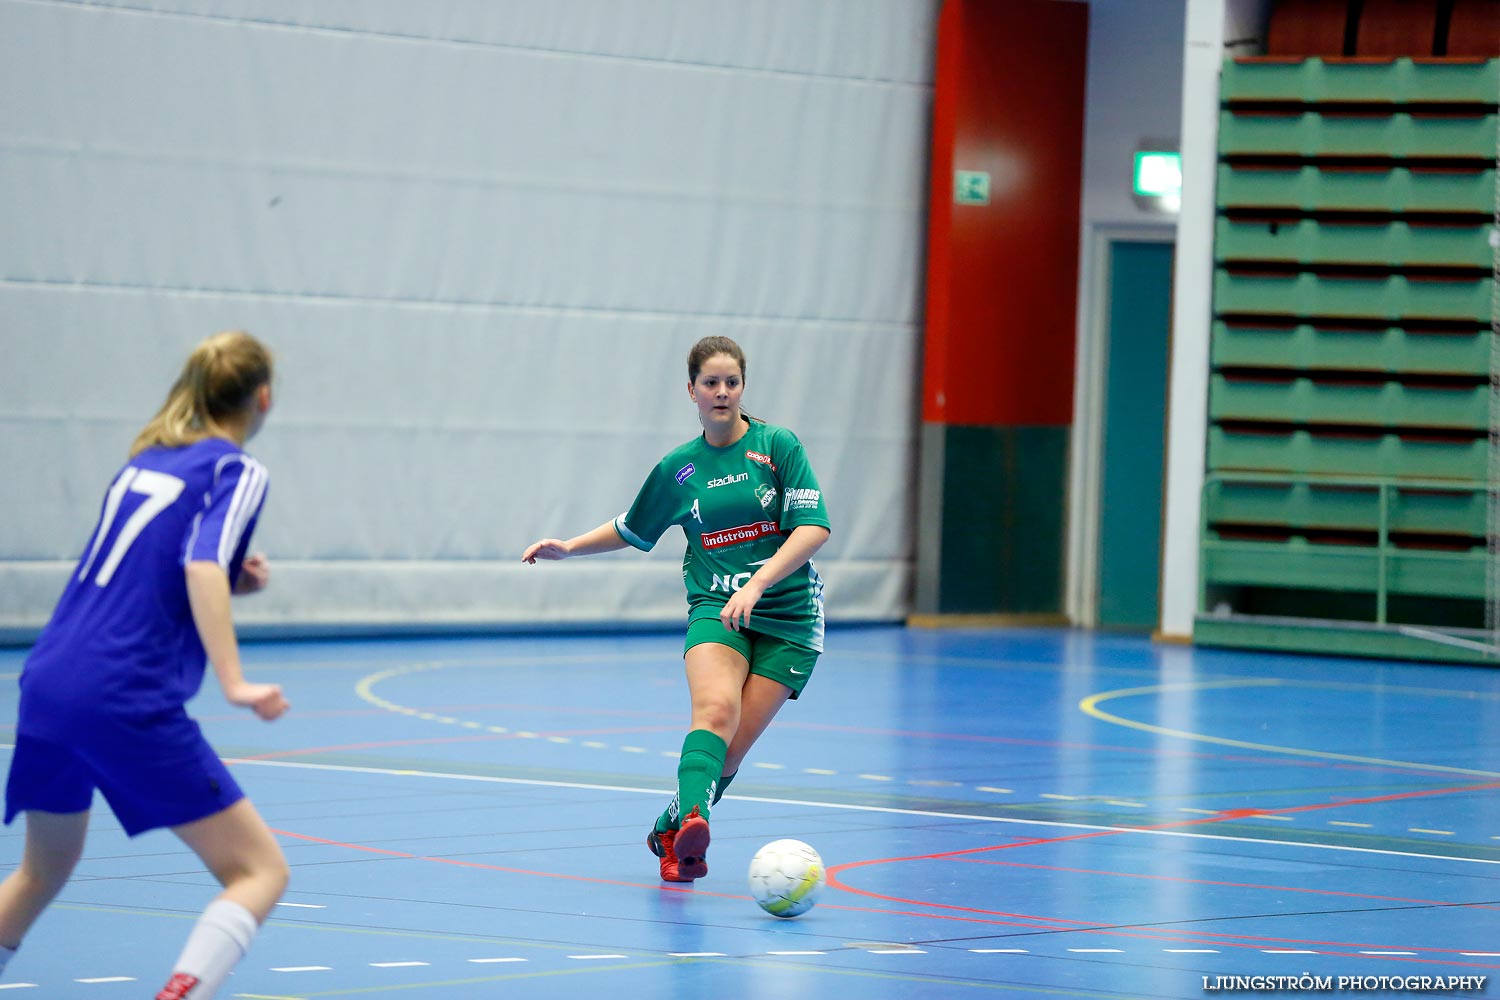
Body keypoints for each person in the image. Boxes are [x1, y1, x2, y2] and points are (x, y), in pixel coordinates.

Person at [0, 331, 291, 999]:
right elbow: (197, 564)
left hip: (47, 684)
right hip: (121, 693)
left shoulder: (147, 461)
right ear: (263, 398)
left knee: (41, 873)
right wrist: (235, 680)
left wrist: (227, 576)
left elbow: (149, 570)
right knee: (260, 872)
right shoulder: (235, 469)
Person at [523, 336, 830, 882]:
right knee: (714, 714)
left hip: (789, 619)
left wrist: (758, 583)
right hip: (718, 609)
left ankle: (670, 825)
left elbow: (813, 528)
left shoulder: (777, 447)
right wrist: (568, 547)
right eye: (710, 383)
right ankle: (692, 822)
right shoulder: (679, 469)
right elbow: (631, 527)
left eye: (731, 382)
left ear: (742, 388)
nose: (722, 392)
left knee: (728, 756)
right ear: (691, 391)